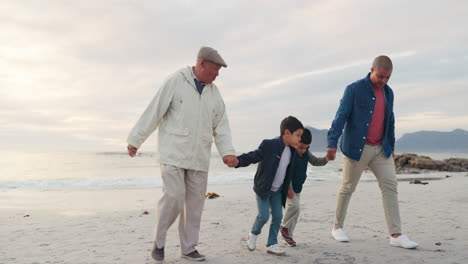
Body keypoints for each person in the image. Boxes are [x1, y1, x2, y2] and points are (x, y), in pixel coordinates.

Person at [126, 46, 238, 262]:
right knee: (174, 197)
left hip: (199, 157)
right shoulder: (176, 81)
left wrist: (227, 153)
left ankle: (188, 248)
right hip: (173, 153)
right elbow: (154, 110)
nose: (217, 74)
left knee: (194, 207)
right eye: (215, 69)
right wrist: (135, 140)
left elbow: (221, 126)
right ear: (202, 63)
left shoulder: (215, 93)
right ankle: (159, 242)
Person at [326, 55, 418, 249]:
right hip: (356, 149)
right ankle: (337, 227)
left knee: (390, 186)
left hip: (380, 149)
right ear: (372, 70)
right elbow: (340, 117)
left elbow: (390, 121)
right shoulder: (353, 90)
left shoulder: (389, 93)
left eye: (387, 78)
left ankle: (396, 234)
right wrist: (332, 143)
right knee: (348, 187)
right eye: (381, 76)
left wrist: (391, 146)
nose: (383, 81)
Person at [231, 116, 303, 256]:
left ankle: (272, 243)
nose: (299, 139)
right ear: (287, 133)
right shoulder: (270, 145)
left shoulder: (293, 151)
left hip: (277, 191)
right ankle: (252, 235)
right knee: (263, 216)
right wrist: (238, 161)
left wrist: (289, 188)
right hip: (263, 188)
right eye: (298, 135)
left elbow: (288, 172)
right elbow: (254, 156)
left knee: (277, 217)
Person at [280, 128, 328, 247]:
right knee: (294, 206)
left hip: (298, 185)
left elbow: (316, 161)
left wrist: (327, 158)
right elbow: (285, 172)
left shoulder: (306, 153)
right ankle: (284, 228)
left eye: (304, 148)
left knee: (295, 211)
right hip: (287, 185)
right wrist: (288, 188)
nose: (302, 150)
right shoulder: (290, 153)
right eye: (299, 147)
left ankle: (288, 235)